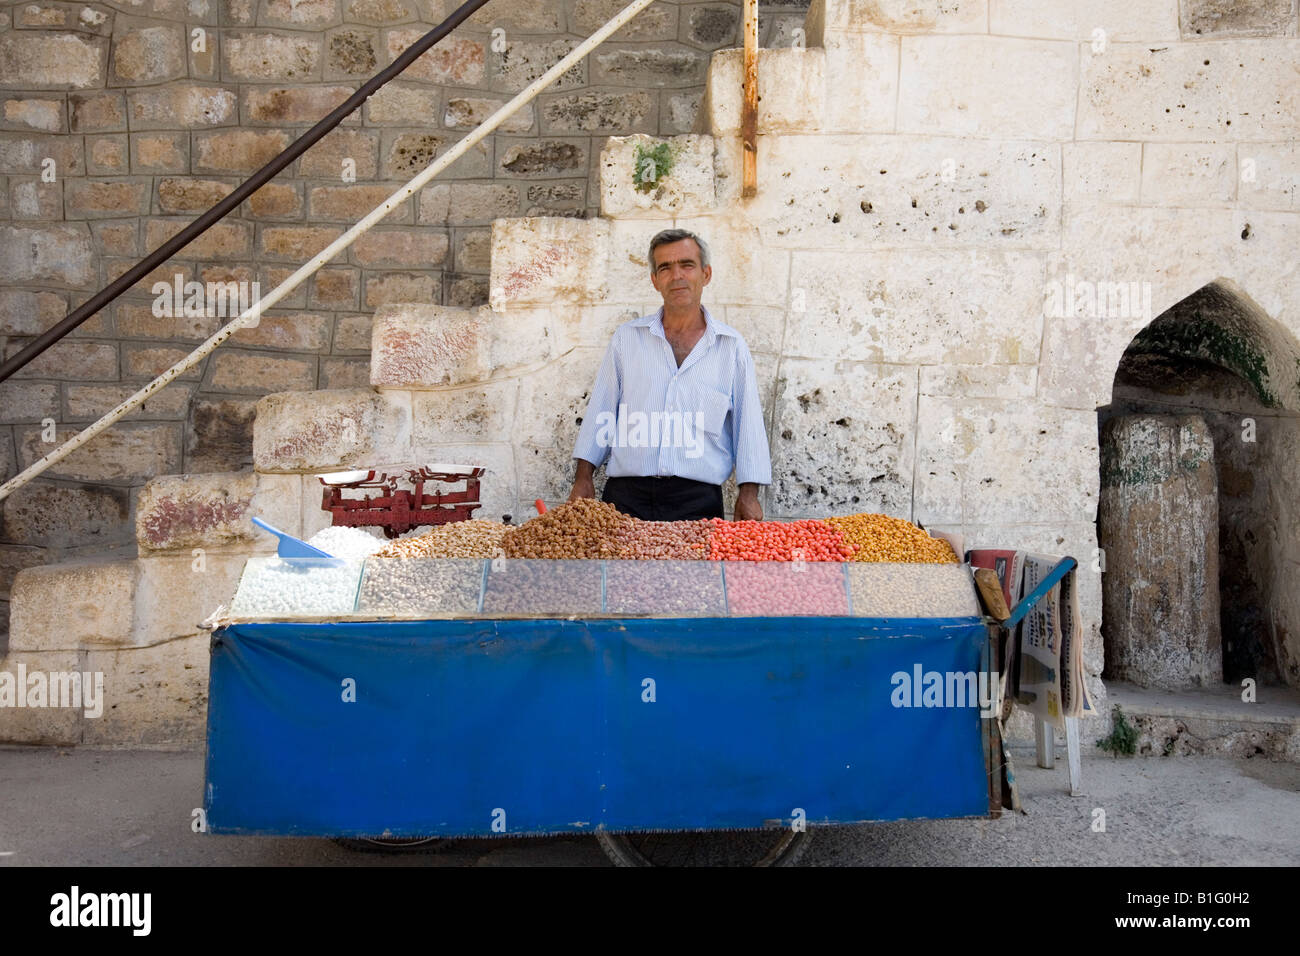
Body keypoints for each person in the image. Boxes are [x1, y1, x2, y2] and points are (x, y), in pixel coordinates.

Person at [567, 228, 771, 521]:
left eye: (687, 265)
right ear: (655, 280)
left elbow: (748, 426)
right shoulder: (627, 339)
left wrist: (749, 494)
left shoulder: (731, 347)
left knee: (694, 569)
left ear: (706, 274)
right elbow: (602, 411)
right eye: (665, 268)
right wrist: (583, 478)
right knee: (620, 568)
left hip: (698, 501)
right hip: (625, 498)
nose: (676, 275)